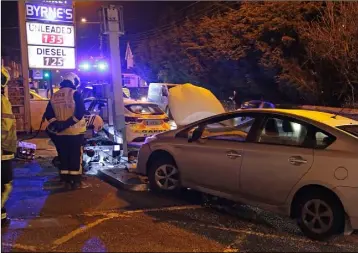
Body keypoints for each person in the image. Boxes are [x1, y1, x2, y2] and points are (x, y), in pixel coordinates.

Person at [44, 72, 86, 189]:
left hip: (60, 133)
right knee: (75, 156)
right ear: (74, 82)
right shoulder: (75, 93)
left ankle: (65, 180)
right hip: (75, 132)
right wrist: (67, 123)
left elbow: (48, 114)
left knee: (63, 155)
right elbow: (80, 112)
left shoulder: (55, 95)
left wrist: (57, 124)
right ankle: (75, 181)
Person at [1, 66, 17, 227]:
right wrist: (10, 148)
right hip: (2, 152)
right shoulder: (2, 101)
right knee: (5, 183)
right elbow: (6, 127)